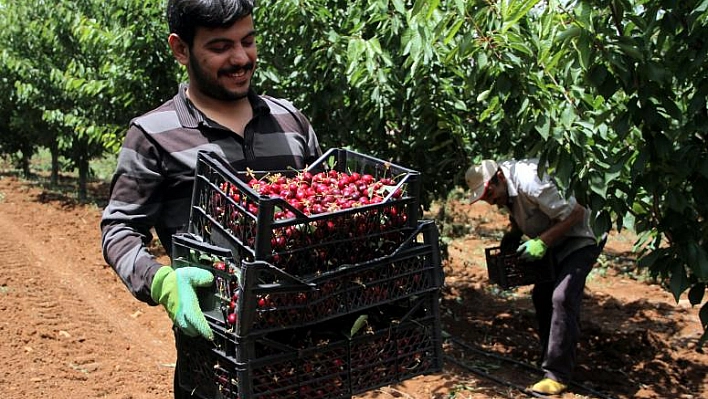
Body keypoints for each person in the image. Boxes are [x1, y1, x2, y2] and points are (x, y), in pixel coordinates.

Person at [100, 0, 322, 397]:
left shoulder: (290, 121)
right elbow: (119, 229)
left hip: (312, 353)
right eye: (220, 47)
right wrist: (162, 281)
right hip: (216, 362)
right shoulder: (153, 135)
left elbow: (327, 212)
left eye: (248, 41)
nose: (241, 58)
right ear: (180, 49)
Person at [465, 159, 605, 396]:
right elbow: (527, 211)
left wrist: (542, 242)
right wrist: (514, 233)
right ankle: (550, 356)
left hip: (584, 234)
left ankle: (557, 375)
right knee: (541, 294)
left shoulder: (530, 181)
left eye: (489, 192)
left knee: (562, 296)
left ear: (500, 176)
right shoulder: (506, 192)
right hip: (558, 237)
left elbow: (576, 213)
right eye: (484, 197)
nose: (489, 200)